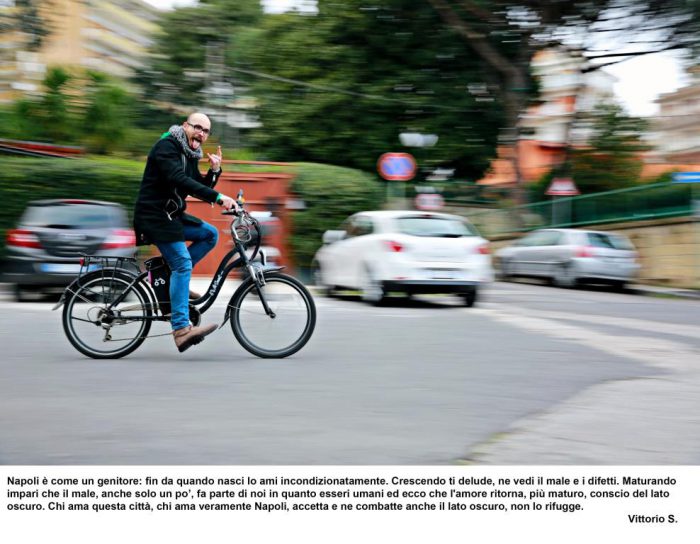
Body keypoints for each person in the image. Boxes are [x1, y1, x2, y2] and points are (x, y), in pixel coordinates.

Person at [134, 113, 237, 353]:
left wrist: (214, 171)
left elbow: (197, 188)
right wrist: (220, 198)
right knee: (182, 264)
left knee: (209, 234)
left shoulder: (189, 153)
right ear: (185, 126)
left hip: (172, 216)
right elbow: (178, 179)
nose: (201, 133)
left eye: (206, 131)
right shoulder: (167, 146)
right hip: (155, 217)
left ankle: (172, 280)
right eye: (197, 127)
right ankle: (181, 329)